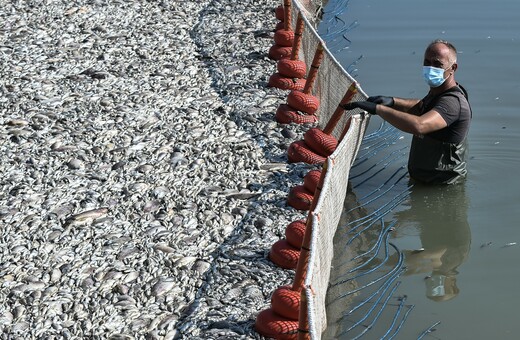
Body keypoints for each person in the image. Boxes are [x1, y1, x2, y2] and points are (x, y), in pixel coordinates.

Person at [343, 39, 472, 185]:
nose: (430, 68)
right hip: (424, 179)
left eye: (437, 64)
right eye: (427, 62)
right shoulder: (438, 93)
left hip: (443, 186)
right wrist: (392, 102)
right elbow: (422, 106)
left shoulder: (452, 103)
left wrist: (379, 110)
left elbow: (419, 125)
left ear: (453, 68)